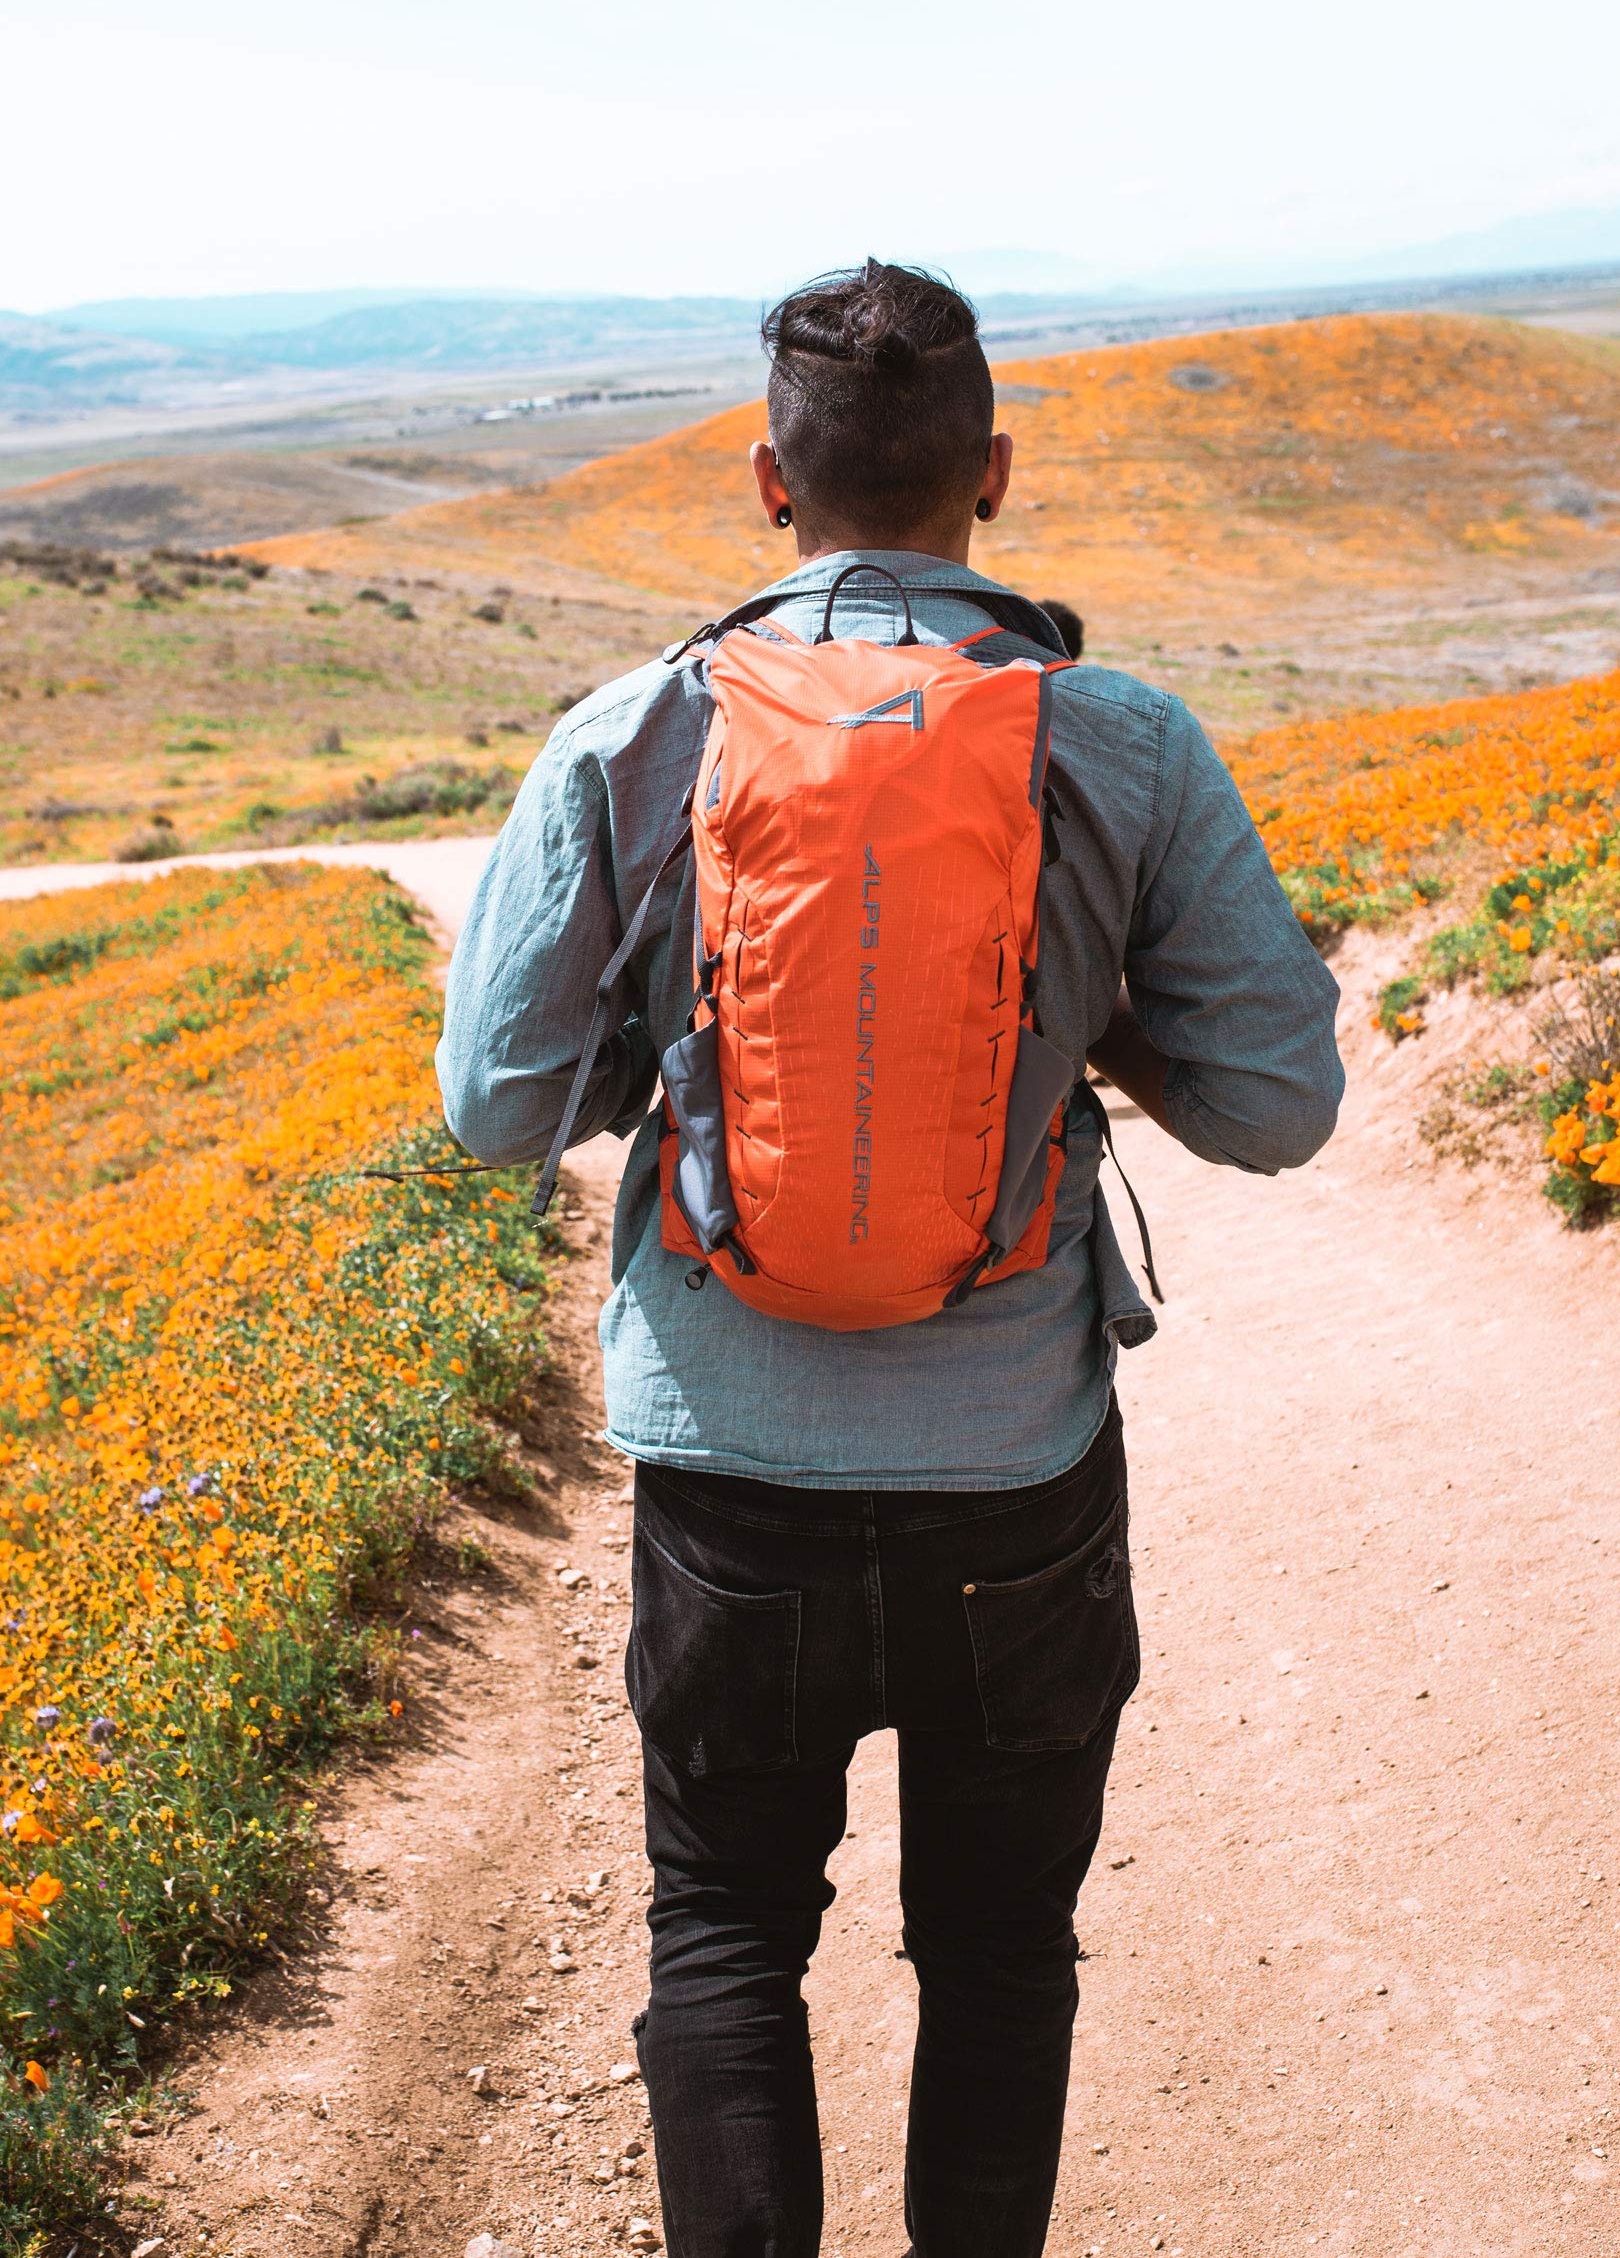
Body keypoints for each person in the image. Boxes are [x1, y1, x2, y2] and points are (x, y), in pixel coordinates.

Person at [437, 260, 1343, 2258]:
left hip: (727, 1471)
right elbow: (1281, 1106)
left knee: (726, 1942)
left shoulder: (631, 734)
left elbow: (491, 1106)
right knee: (1002, 1956)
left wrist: (659, 1058)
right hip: (1012, 1473)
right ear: (992, 473)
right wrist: (1090, 1023)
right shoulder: (1123, 740)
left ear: (769, 482)